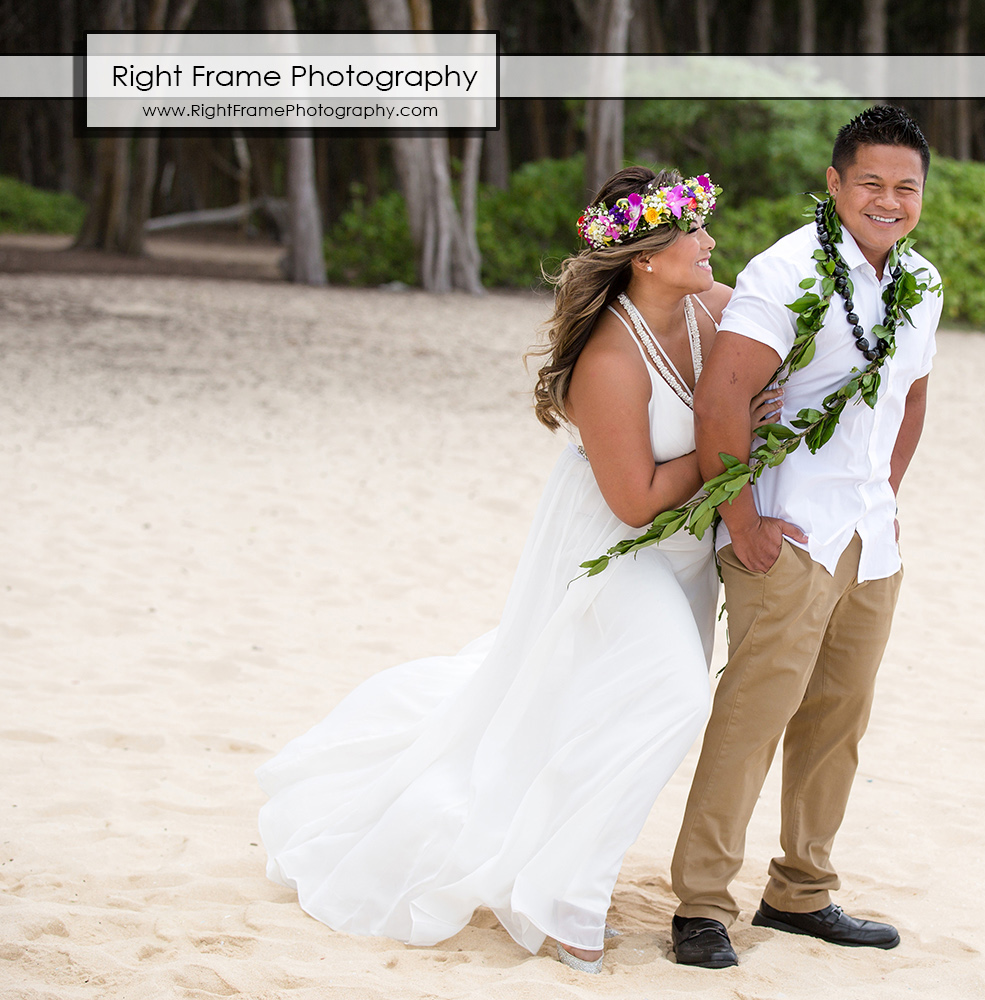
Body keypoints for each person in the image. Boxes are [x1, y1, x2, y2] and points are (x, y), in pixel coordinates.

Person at [256, 166, 780, 975]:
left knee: (598, 701)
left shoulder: (716, 309)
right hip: (613, 549)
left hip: (686, 552)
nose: (712, 243)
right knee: (675, 696)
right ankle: (564, 897)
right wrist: (730, 442)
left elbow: (769, 375)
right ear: (644, 255)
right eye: (695, 231)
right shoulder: (609, 358)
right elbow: (637, 500)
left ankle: (549, 848)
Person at [669, 106, 943, 969]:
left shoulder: (922, 282)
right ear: (834, 184)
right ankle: (702, 905)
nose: (888, 200)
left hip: (871, 539)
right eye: (870, 182)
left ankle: (801, 890)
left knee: (838, 718)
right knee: (753, 714)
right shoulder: (785, 270)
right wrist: (741, 519)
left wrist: (887, 496)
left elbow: (913, 399)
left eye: (906, 186)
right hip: (786, 533)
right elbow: (723, 398)